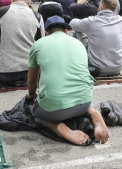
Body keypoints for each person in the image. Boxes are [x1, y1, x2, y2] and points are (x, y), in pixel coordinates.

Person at [27, 15, 109, 145]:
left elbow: (31, 82)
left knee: (34, 115)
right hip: (84, 103)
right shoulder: (78, 43)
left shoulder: (38, 44)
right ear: (66, 31)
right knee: (79, 95)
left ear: (46, 33)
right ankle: (93, 113)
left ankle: (56, 126)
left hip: (54, 110)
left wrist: (32, 95)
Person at [0, 0, 44, 85]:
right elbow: (41, 43)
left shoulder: (2, 11)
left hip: (2, 72)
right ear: (29, 0)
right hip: (29, 72)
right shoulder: (37, 16)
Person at [70, 0, 122, 77]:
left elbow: (72, 23)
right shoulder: (121, 20)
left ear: (101, 6)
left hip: (97, 69)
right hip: (118, 67)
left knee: (78, 30)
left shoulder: (92, 21)